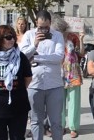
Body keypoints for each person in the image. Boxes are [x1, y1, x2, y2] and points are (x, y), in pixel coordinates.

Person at [20, 10, 65, 140]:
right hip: (34, 84)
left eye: (46, 27)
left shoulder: (57, 35)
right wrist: (34, 45)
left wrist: (37, 58)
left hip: (54, 84)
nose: (44, 30)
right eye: (40, 27)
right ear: (36, 23)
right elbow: (23, 56)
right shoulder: (29, 35)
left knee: (56, 122)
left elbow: (58, 57)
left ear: (50, 23)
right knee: (35, 121)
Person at [51, 15, 85, 138]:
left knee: (74, 102)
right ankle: (61, 125)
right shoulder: (53, 38)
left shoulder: (73, 37)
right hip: (58, 73)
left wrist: (81, 39)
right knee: (59, 102)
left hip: (73, 73)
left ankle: (73, 127)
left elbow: (81, 53)